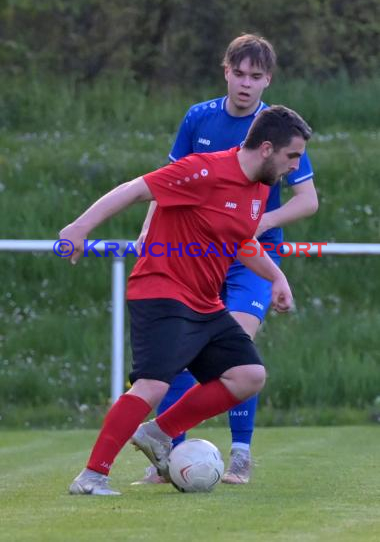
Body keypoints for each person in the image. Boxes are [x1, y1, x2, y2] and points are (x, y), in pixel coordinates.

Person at [62, 105, 312, 495]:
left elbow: (241, 241)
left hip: (204, 302)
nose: (295, 167)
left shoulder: (260, 189)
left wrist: (277, 276)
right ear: (266, 148)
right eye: (292, 156)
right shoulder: (204, 169)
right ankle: (92, 476)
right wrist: (79, 227)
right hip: (161, 290)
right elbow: (136, 189)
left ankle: (158, 433)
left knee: (248, 375)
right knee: (152, 385)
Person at [133, 34, 318, 485]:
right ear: (226, 71)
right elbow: (166, 183)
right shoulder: (199, 118)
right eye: (240, 73)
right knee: (177, 352)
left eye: (257, 77)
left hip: (253, 255)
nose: (247, 84)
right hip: (197, 250)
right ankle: (170, 452)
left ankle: (240, 454)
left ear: (267, 80)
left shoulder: (276, 126)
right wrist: (147, 228)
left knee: (237, 345)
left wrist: (257, 222)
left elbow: (308, 200)